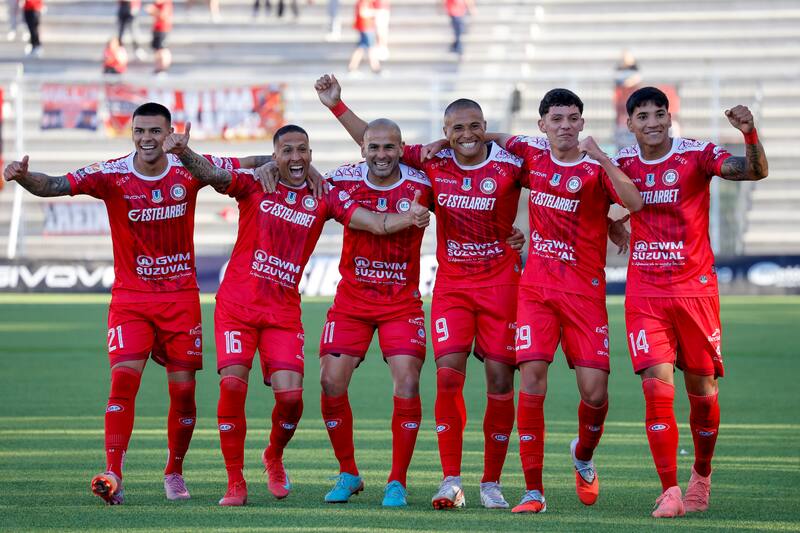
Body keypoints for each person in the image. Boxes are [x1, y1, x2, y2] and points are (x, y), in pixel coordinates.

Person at [2, 102, 269, 505]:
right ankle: (113, 472)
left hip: (180, 299)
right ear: (132, 134)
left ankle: (174, 472)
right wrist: (24, 178)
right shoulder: (111, 174)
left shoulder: (188, 167)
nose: (147, 139)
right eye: (139, 131)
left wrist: (283, 161)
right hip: (131, 299)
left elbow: (245, 161)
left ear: (170, 133)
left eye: (154, 132)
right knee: (123, 381)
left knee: (183, 393)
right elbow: (55, 184)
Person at [169, 123, 430, 506]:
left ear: (311, 154)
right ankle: (235, 482)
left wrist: (410, 219)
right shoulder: (255, 184)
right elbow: (212, 174)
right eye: (287, 151)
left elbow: (374, 223)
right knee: (233, 386)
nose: (295, 158)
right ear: (274, 156)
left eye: (302, 150)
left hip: (283, 310)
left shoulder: (324, 195)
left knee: (291, 399)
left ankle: (273, 454)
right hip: (237, 306)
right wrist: (183, 152)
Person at [315, 74, 528, 510]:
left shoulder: (500, 164)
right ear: (445, 134)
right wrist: (337, 106)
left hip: (495, 286)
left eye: (475, 127)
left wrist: (526, 236)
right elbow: (374, 141)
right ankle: (448, 479)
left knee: (496, 378)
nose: (466, 136)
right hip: (444, 287)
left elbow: (553, 185)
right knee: (445, 376)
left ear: (485, 127)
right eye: (456, 129)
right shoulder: (428, 166)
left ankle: (489, 482)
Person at [454, 89, 642, 513]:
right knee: (532, 379)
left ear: (582, 123)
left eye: (573, 118)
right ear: (542, 125)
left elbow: (634, 202)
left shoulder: (595, 168)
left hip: (585, 294)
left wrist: (603, 158)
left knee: (595, 395)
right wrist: (444, 142)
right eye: (556, 119)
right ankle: (533, 491)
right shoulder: (532, 153)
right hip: (536, 290)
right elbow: (492, 138)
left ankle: (583, 454)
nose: (565, 126)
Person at [615, 87, 768, 517]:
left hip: (694, 291)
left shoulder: (697, 154)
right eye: (642, 116)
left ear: (669, 117)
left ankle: (701, 474)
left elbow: (752, 172)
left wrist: (749, 132)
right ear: (630, 124)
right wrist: (614, 224)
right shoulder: (621, 163)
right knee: (654, 388)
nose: (652, 123)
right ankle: (670, 490)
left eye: (659, 114)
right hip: (645, 293)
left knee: (702, 390)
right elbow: (592, 203)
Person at [316, 118, 432, 508]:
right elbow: (296, 176)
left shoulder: (423, 183)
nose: (381, 155)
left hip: (401, 302)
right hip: (352, 301)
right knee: (331, 381)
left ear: (401, 149)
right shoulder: (343, 181)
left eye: (389, 147)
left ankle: (397, 481)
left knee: (408, 383)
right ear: (362, 150)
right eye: (374, 148)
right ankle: (348, 472)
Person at [348, 0, 380, 74]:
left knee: (361, 48)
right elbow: (363, 13)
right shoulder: (364, 2)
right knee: (370, 48)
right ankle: (375, 68)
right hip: (366, 27)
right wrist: (374, 12)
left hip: (365, 27)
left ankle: (352, 67)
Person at [147, 0, 172, 75]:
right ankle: (158, 68)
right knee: (157, 50)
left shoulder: (166, 3)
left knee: (163, 50)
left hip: (163, 29)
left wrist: (153, 10)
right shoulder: (158, 4)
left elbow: (163, 15)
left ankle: (163, 68)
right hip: (156, 28)